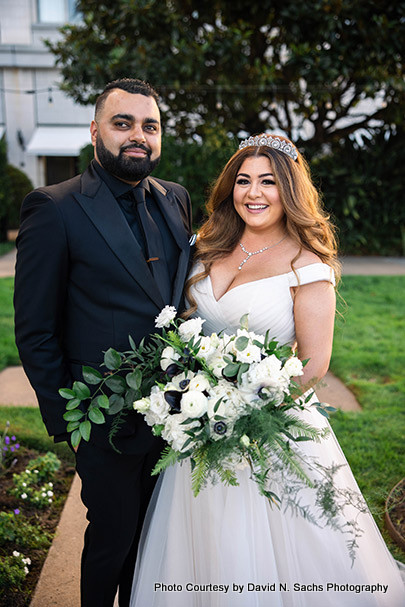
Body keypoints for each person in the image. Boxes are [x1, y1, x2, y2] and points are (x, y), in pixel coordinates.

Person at [129, 134, 405, 606]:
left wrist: (244, 414)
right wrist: (198, 403)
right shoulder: (206, 246)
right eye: (243, 181)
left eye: (268, 182)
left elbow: (315, 364)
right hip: (200, 426)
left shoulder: (307, 263)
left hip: (271, 432)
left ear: (290, 191)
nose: (253, 193)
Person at [14, 78, 193, 607]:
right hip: (105, 417)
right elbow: (35, 329)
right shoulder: (53, 208)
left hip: (180, 411)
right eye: (124, 123)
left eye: (150, 126)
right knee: (112, 539)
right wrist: (71, 417)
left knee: (156, 540)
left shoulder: (176, 198)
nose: (138, 135)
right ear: (96, 131)